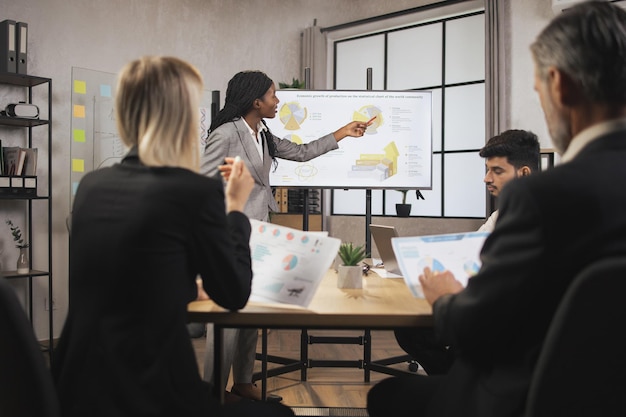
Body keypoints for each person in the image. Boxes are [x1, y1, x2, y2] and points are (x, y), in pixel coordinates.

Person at [367, 2, 626, 417]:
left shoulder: (542, 198)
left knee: (387, 396)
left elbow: (477, 334)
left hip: (524, 400)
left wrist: (447, 298)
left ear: (559, 85)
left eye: (540, 91)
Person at [51, 56, 294, 417]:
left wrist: (180, 286)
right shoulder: (190, 191)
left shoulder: (91, 186)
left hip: (77, 390)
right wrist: (234, 209)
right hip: (153, 394)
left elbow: (132, 269)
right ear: (181, 118)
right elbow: (233, 294)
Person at [200, 70, 368, 402]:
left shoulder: (263, 134)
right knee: (227, 317)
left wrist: (343, 133)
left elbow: (303, 152)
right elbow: (204, 184)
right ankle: (212, 393)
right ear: (255, 100)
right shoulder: (225, 134)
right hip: (231, 235)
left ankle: (244, 382)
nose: (278, 101)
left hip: (259, 233)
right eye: (273, 96)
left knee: (253, 310)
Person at [393, 129, 541, 376]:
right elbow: (468, 249)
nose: (486, 178)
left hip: (507, 326)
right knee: (411, 329)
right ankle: (459, 383)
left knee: (416, 332)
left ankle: (462, 384)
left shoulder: (540, 220)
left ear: (524, 173)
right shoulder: (500, 215)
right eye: (487, 170)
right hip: (485, 310)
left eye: (497, 171)